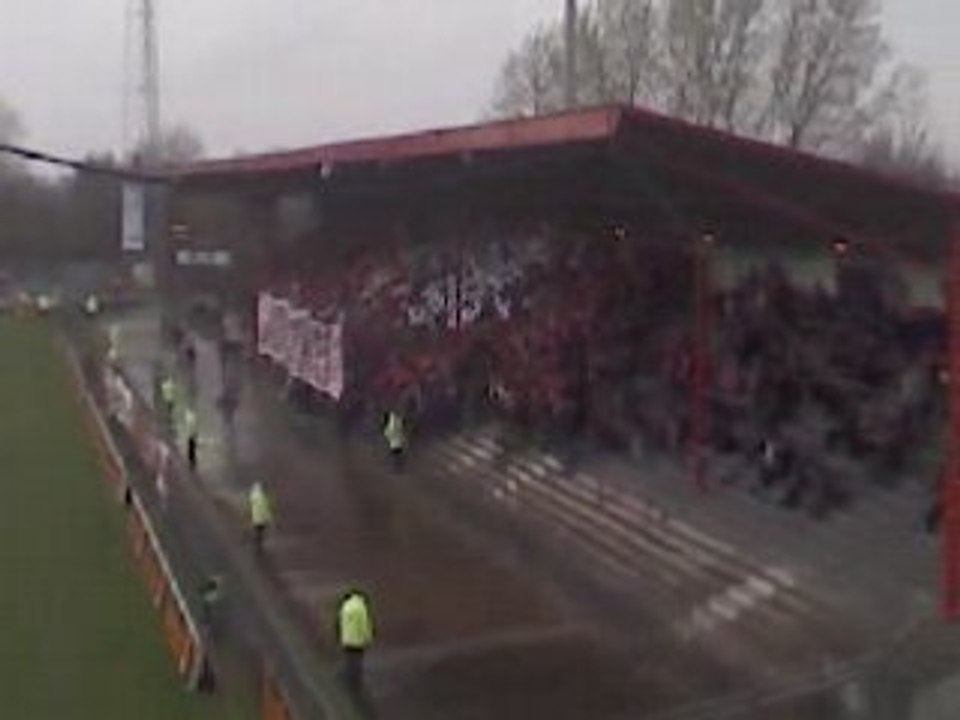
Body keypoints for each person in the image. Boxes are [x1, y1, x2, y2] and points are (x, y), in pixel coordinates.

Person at [337, 590, 374, 696]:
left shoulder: (345, 606)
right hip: (358, 640)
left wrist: (341, 636)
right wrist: (368, 638)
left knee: (349, 658)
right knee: (357, 660)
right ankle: (356, 680)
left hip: (346, 639)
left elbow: (341, 622)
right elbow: (365, 625)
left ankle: (348, 677)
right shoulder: (361, 608)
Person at [248, 481, 273, 554]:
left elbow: (251, 505)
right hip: (261, 517)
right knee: (260, 530)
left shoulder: (252, 496)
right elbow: (265, 508)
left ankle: (257, 540)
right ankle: (258, 542)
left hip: (255, 516)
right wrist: (268, 517)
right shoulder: (262, 497)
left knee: (257, 529)